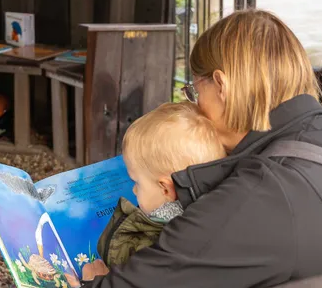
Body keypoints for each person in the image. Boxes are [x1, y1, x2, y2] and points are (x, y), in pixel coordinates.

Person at [71, 9, 322, 288]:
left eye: (194, 91)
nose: (195, 104)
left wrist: (94, 285)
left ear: (222, 86)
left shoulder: (264, 193)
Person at [96, 101, 226, 268]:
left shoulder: (153, 246)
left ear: (166, 188)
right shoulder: (212, 218)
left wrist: (95, 282)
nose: (133, 190)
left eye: (137, 183)